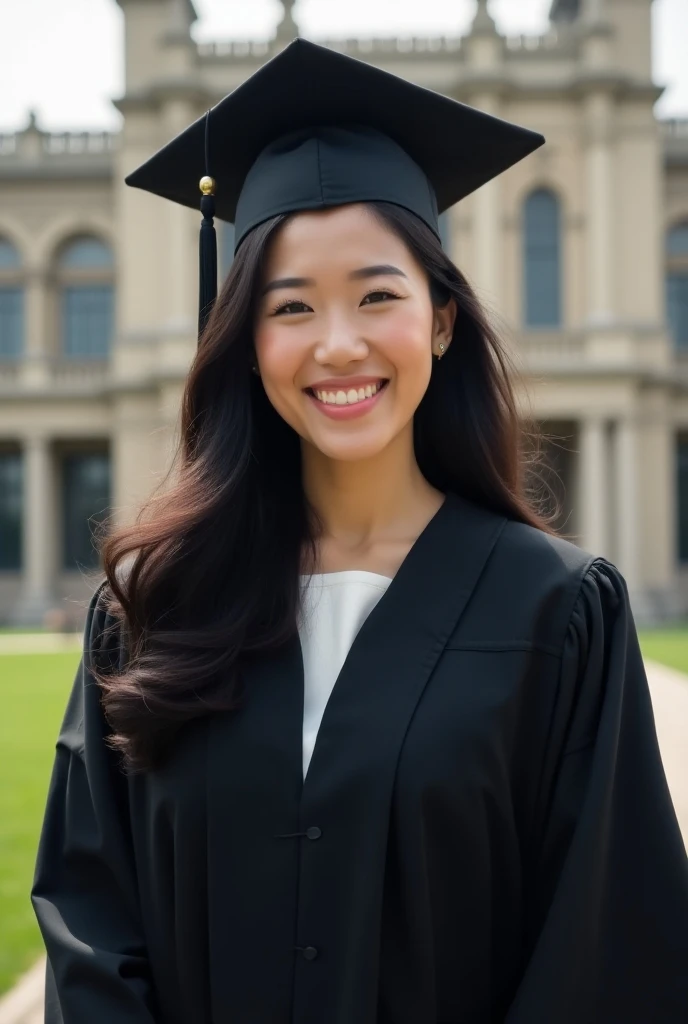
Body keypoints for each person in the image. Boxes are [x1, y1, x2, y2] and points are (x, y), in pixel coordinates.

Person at [32, 38, 688, 1024]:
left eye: (378, 294)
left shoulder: (557, 615)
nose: (338, 343)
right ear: (248, 345)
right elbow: (94, 925)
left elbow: (606, 948)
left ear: (440, 319)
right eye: (289, 307)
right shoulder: (153, 611)